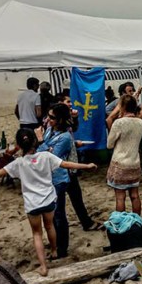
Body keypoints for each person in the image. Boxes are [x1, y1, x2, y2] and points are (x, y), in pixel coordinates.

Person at [0, 129, 95, 276]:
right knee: (50, 226)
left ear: (19, 146)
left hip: (32, 203)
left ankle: (43, 266)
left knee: (37, 234)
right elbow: (66, 164)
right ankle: (54, 250)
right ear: (35, 141)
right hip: (48, 200)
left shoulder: (19, 163)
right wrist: (87, 166)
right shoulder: (46, 156)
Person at [36, 104, 97, 258]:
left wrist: (41, 142)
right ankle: (57, 243)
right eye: (48, 116)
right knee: (55, 211)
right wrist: (45, 146)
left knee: (58, 213)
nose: (48, 119)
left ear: (60, 120)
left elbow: (52, 157)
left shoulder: (64, 136)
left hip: (60, 177)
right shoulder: (50, 130)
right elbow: (42, 153)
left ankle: (61, 247)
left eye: (52, 117)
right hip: (50, 176)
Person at [55, 93, 98, 231]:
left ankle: (85, 222)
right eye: (68, 101)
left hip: (69, 164)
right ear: (60, 102)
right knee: (66, 200)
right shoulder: (54, 121)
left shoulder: (64, 119)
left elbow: (73, 128)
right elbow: (56, 143)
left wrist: (75, 118)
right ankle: (80, 224)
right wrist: (74, 143)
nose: (71, 104)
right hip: (63, 167)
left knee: (75, 196)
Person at [107, 95, 142, 214]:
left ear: (122, 106)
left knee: (120, 197)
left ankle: (121, 222)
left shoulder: (119, 123)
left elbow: (109, 144)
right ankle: (137, 220)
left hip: (120, 164)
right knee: (135, 195)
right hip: (134, 163)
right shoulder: (140, 122)